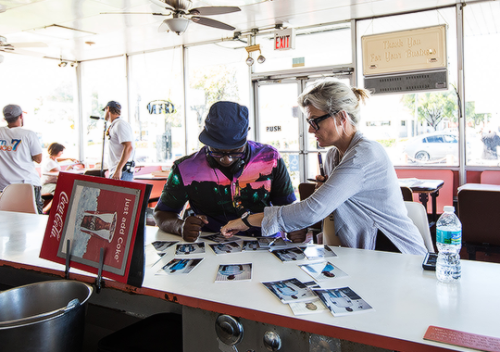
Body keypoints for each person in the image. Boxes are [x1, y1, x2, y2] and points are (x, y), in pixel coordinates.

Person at [221, 79, 427, 255]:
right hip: (364, 255)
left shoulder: (365, 155)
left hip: (398, 256)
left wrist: (247, 221)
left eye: (315, 121)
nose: (311, 130)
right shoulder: (333, 156)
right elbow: (332, 208)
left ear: (341, 117)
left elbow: (312, 211)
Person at [154, 101, 305, 242]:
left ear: (247, 133)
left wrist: (295, 226)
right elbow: (161, 214)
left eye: (235, 151)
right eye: (217, 151)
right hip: (211, 245)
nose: (227, 160)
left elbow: (287, 207)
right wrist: (179, 226)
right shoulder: (185, 168)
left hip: (265, 243)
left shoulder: (270, 159)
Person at [0, 104, 43, 213]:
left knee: (6, 219)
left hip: (4, 186)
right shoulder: (28, 134)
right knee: (35, 217)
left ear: (5, 118)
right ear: (21, 116)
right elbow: (38, 158)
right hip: (28, 184)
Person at [41, 142, 83, 213]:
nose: (62, 153)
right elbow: (60, 175)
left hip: (52, 183)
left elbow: (60, 159)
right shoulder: (50, 163)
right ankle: (45, 210)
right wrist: (68, 168)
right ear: (57, 151)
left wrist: (70, 158)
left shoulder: (52, 159)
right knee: (60, 191)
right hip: (47, 185)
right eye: (61, 151)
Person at [103, 101, 135, 181]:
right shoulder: (115, 125)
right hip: (116, 171)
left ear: (108, 109)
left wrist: (118, 170)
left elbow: (128, 147)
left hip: (122, 173)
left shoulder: (120, 124)